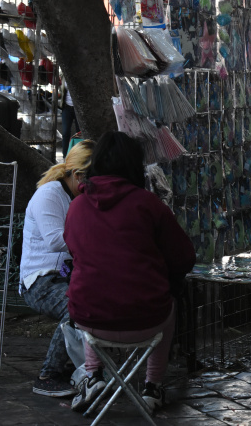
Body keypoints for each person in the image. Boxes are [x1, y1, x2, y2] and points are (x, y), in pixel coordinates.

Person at [64, 132, 196, 413]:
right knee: (170, 298)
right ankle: (152, 387)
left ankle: (94, 375)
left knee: (90, 287)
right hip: (147, 318)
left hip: (89, 318)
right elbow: (184, 258)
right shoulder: (149, 205)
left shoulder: (76, 207)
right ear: (135, 165)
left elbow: (76, 255)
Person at [19, 139, 95, 397]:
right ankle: (48, 374)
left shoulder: (76, 195)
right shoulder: (50, 194)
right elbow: (54, 241)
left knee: (95, 299)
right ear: (77, 175)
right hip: (39, 280)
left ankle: (91, 368)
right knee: (75, 306)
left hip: (65, 273)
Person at [60, 76, 80, 158]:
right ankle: (65, 155)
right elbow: (62, 90)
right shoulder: (64, 76)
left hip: (78, 108)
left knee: (79, 132)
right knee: (65, 133)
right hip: (67, 107)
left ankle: (79, 155)